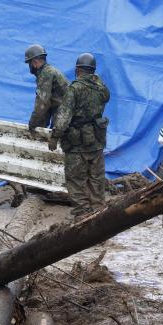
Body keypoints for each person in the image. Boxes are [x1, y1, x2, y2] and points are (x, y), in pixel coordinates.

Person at [50, 53, 110, 217]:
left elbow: (63, 116)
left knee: (76, 179)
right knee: (96, 178)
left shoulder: (74, 89)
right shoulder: (102, 88)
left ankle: (82, 214)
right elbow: (106, 98)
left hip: (77, 143)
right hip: (96, 141)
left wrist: (55, 137)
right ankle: (99, 211)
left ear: (78, 70)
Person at [26, 44, 69, 132]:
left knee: (55, 139)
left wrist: (33, 123)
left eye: (29, 63)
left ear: (34, 62)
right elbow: (48, 103)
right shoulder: (48, 71)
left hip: (64, 114)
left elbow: (42, 102)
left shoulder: (46, 73)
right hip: (61, 111)